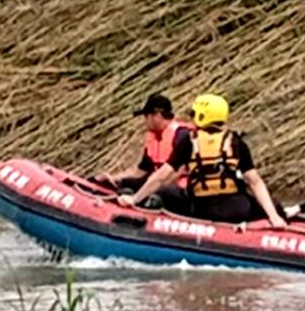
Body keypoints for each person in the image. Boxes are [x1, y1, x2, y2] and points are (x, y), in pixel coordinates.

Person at [118, 94, 287, 228]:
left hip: (202, 210)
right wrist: (274, 216)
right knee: (276, 205)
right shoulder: (236, 142)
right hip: (237, 210)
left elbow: (161, 176)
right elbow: (255, 182)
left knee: (166, 192)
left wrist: (135, 199)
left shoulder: (189, 141)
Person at [93, 93, 191, 193]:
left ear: (156, 115)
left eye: (146, 116)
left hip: (178, 190)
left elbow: (170, 175)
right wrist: (115, 178)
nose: (145, 121)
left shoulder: (182, 136)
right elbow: (139, 172)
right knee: (127, 183)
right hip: (158, 182)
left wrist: (137, 197)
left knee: (161, 192)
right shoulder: (154, 138)